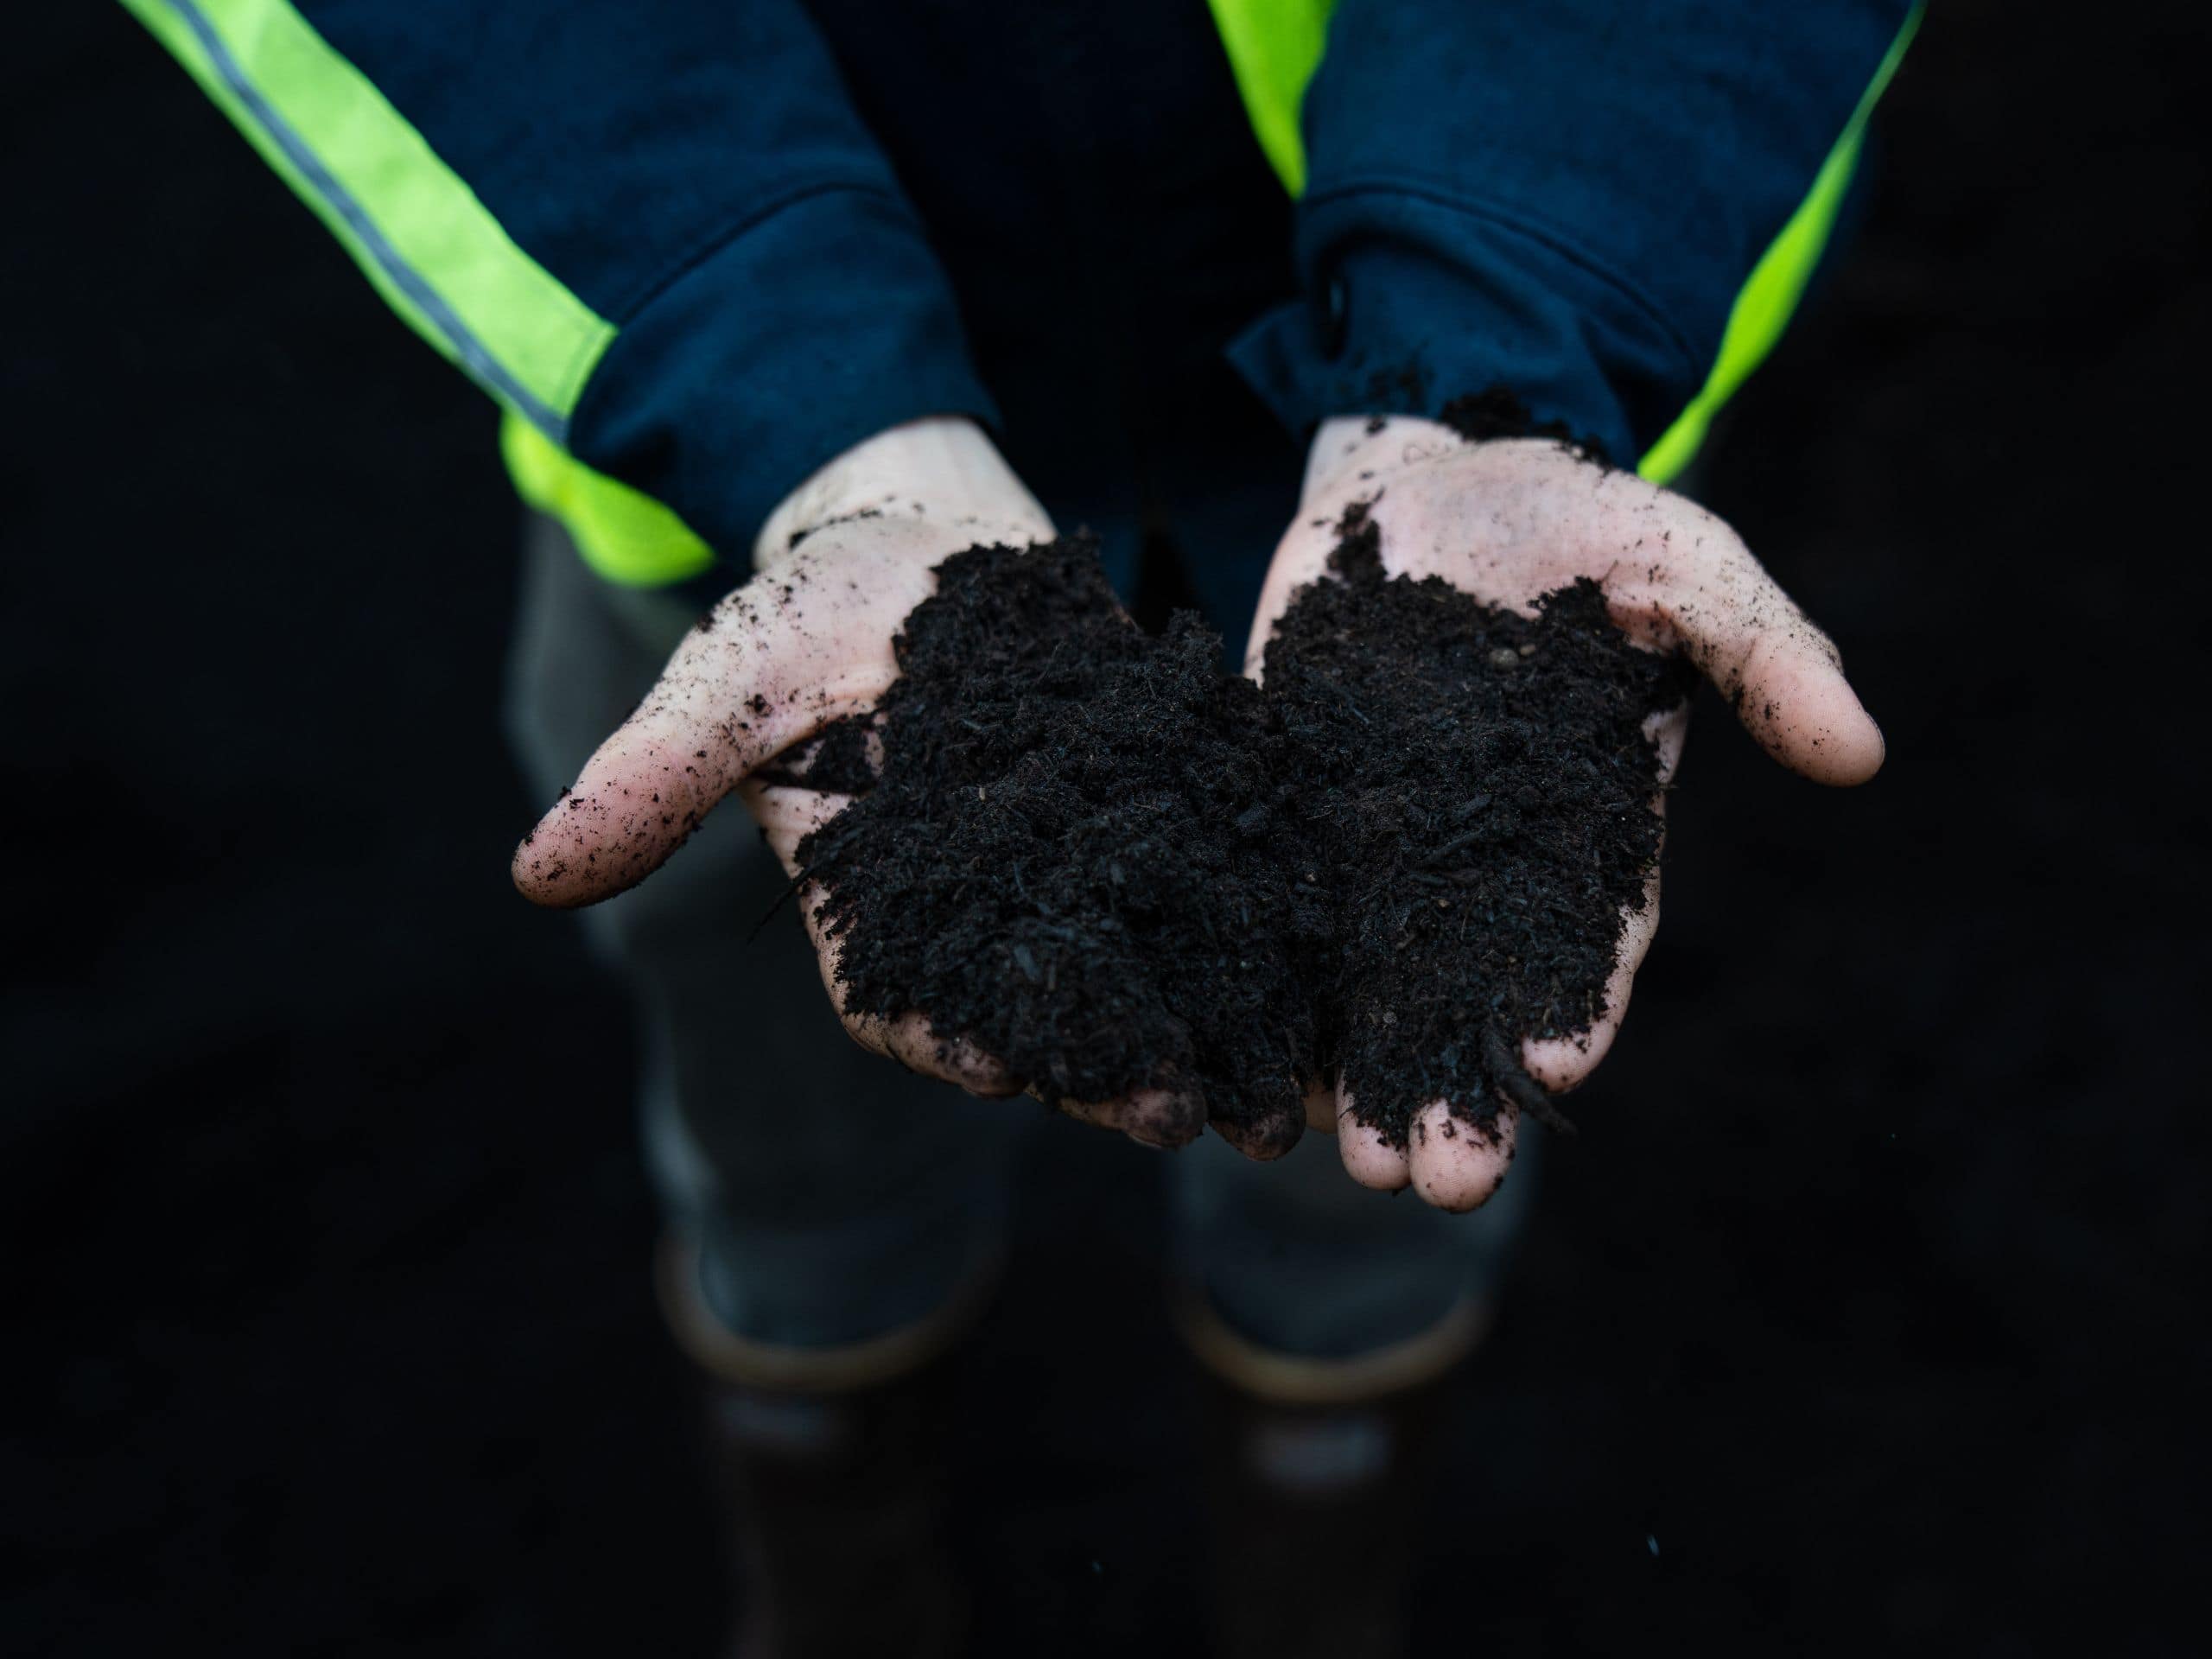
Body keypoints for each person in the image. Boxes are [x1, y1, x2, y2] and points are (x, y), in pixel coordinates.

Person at [122, 1, 1916, 1650]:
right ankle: (833, 1538)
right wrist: (784, 387)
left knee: (1418, 1070)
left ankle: (1321, 1530)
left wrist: (1505, 311)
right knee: (774, 1081)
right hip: (743, 472)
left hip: (1470, 414)